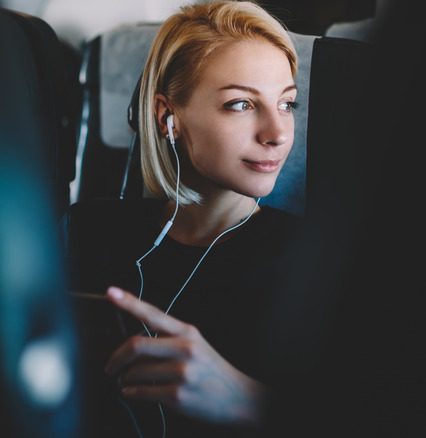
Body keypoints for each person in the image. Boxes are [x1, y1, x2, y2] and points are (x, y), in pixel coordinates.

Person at [65, 2, 302, 436]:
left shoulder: (315, 261)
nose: (278, 133)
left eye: (287, 104)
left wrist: (250, 402)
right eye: (241, 104)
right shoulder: (84, 231)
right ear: (168, 117)